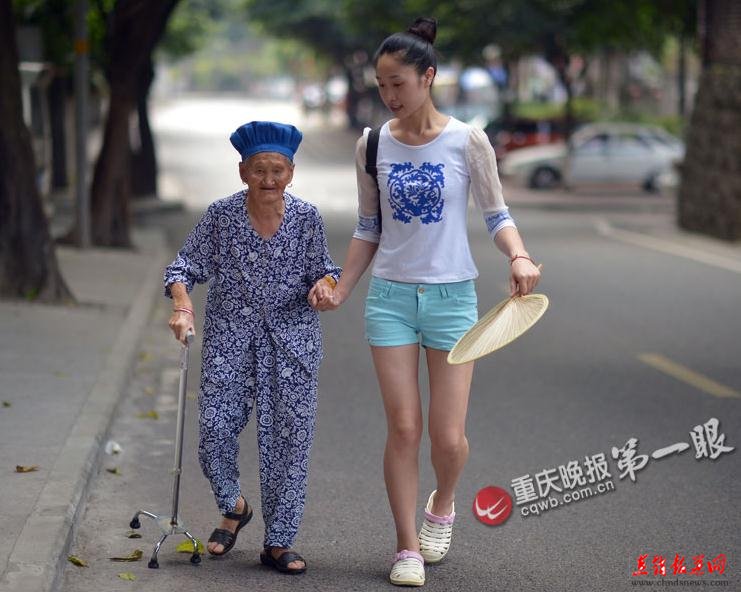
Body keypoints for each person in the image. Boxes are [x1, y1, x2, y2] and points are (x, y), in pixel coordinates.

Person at [311, 17, 541, 587]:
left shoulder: (468, 141)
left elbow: (496, 214)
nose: (389, 95)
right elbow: (369, 227)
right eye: (382, 85)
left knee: (448, 438)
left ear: (428, 77)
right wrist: (342, 286)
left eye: (399, 84)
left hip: (452, 298)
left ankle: (443, 501)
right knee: (404, 427)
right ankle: (407, 546)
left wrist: (518, 256)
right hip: (390, 298)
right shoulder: (372, 145)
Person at [164, 121, 340, 575]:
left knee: (289, 441)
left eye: (277, 170)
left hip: (292, 343)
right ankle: (234, 505)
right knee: (214, 431)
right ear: (243, 172)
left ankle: (279, 541)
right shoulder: (221, 217)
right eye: (259, 170)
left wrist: (324, 287)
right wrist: (183, 304)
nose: (268, 179)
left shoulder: (307, 219)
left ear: (291, 173)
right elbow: (183, 267)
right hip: (230, 340)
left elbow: (325, 270)